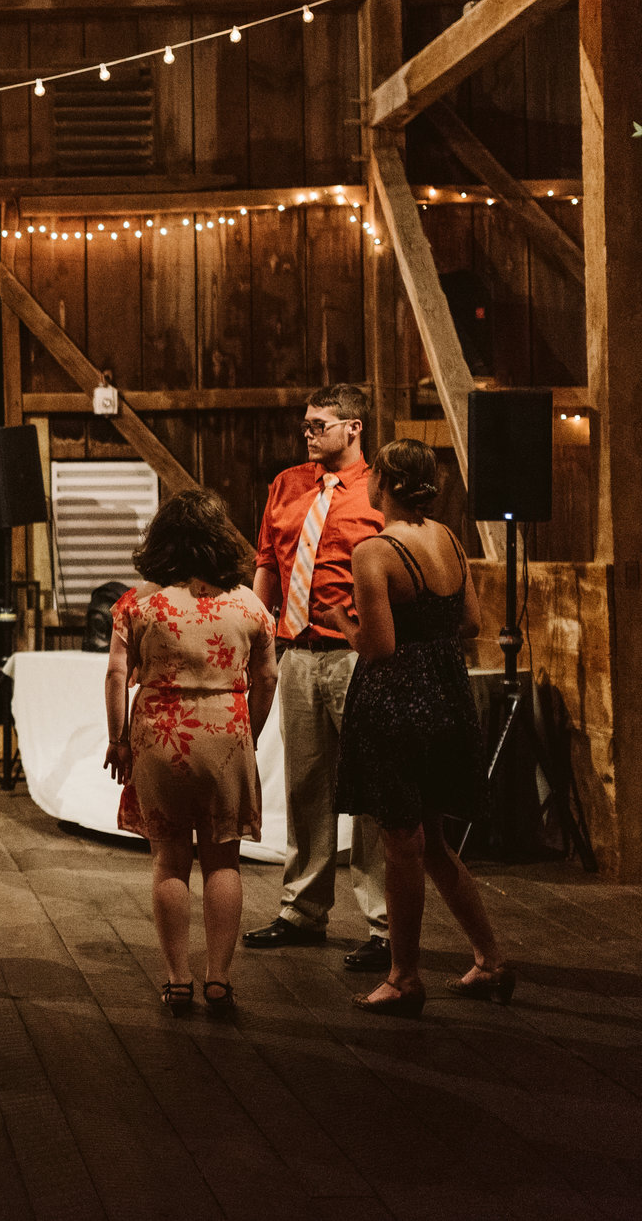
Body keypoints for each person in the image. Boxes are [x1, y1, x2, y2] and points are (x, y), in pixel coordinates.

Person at [316, 440, 513, 1016]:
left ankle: (403, 977)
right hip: (447, 694)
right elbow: (473, 622)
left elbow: (379, 647)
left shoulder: (374, 551)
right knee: (433, 843)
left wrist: (339, 622)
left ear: (385, 483)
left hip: (396, 700)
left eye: (373, 473)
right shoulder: (449, 539)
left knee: (402, 844)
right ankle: (489, 959)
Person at [103, 490, 278, 1015]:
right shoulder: (249, 603)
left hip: (160, 737)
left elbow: (115, 674)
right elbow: (266, 677)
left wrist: (117, 738)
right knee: (224, 859)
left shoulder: (138, 604)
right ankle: (218, 979)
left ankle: (178, 979)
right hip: (227, 735)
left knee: (169, 860)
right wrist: (250, 733)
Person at [242, 383, 390, 972]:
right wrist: (257, 638)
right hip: (297, 651)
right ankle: (302, 911)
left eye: (319, 425)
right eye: (305, 425)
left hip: (355, 653)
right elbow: (266, 566)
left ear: (354, 428)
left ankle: (383, 922)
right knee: (305, 784)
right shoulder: (288, 484)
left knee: (372, 790)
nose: (308, 434)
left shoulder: (379, 487)